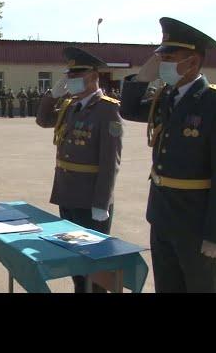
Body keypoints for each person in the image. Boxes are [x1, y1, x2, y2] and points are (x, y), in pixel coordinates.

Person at [120, 17, 216, 293]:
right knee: (167, 287)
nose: (163, 64)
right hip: (162, 215)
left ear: (193, 62)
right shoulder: (167, 97)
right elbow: (128, 110)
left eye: (170, 57)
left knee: (200, 287)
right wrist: (143, 75)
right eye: (162, 57)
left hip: (195, 222)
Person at [37, 47, 123, 293]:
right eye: (69, 74)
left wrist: (102, 202)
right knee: (75, 261)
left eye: (77, 74)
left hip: (90, 199)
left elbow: (110, 161)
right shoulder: (69, 105)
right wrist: (52, 95)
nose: (71, 79)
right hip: (68, 194)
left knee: (94, 265)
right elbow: (43, 120)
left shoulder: (107, 109)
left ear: (93, 75)